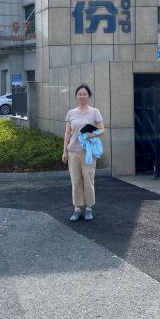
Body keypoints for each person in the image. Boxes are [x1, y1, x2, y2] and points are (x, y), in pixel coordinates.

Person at [62, 84, 105, 222]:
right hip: (73, 152)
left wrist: (92, 135)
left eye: (84, 94)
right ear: (76, 96)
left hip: (88, 153)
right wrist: (64, 151)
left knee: (88, 180)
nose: (82, 96)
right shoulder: (71, 113)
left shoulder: (94, 112)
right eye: (79, 94)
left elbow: (102, 130)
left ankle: (89, 208)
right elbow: (67, 133)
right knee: (76, 181)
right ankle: (77, 209)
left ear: (88, 96)